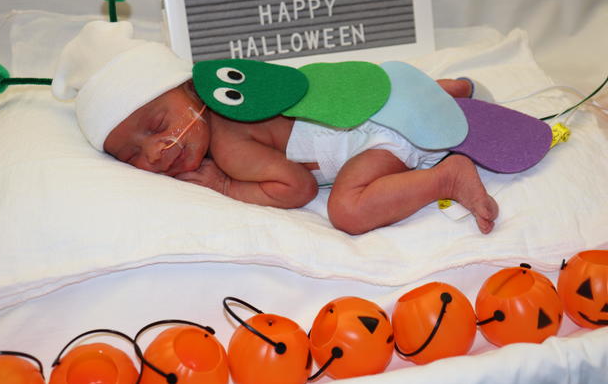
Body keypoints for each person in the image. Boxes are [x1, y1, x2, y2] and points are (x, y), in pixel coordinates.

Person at [103, 77, 499, 235]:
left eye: (156, 125)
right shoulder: (245, 86)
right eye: (131, 156)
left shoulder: (228, 142)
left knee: (347, 210)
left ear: (191, 90)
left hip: (377, 136)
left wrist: (226, 185)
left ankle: (446, 177)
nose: (154, 153)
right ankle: (447, 88)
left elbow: (299, 187)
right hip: (387, 93)